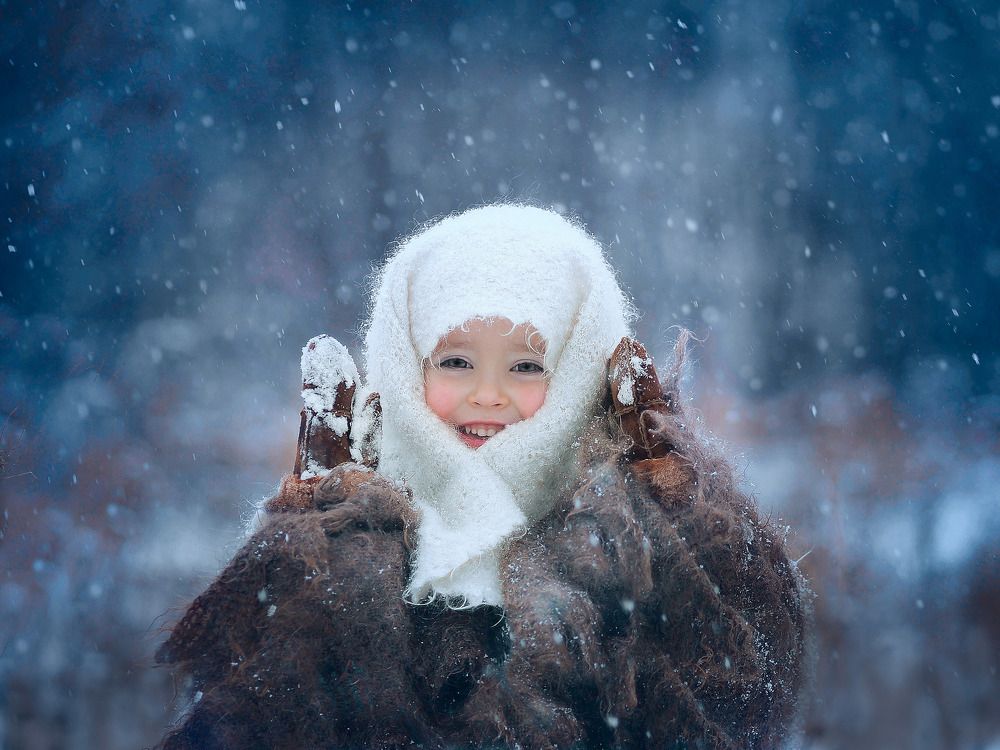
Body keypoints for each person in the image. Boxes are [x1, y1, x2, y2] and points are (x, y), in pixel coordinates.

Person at [156, 204, 808, 749]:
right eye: (457, 362)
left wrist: (687, 509)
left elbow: (745, 690)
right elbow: (241, 711)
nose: (487, 394)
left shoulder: (625, 514)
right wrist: (306, 538)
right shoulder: (362, 503)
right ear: (408, 361)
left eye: (527, 366)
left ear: (581, 364)